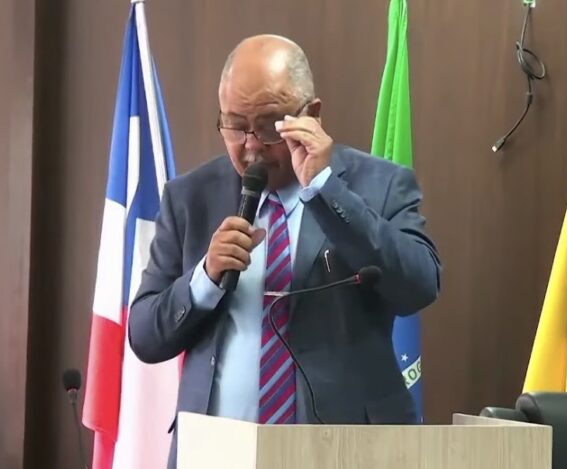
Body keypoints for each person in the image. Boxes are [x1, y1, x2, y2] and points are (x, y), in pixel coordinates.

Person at [128, 34, 441, 468]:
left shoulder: (380, 185)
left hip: (344, 454)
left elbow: (419, 286)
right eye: (235, 125)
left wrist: (327, 190)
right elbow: (144, 335)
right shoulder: (190, 198)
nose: (251, 144)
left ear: (311, 115)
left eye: (269, 124)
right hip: (216, 453)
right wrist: (205, 278)